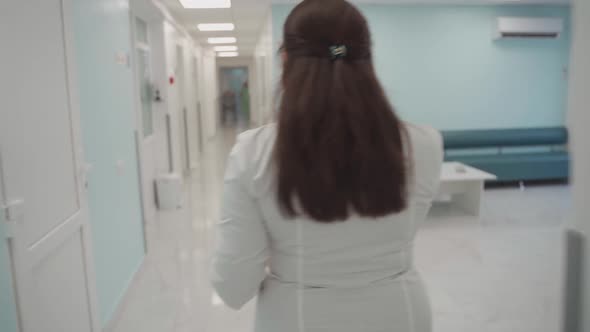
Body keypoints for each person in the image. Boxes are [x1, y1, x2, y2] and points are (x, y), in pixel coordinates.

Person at [211, 0, 443, 331]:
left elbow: (232, 285)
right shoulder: (424, 144)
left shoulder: (254, 152)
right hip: (400, 314)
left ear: (285, 60)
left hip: (298, 317)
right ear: (367, 59)